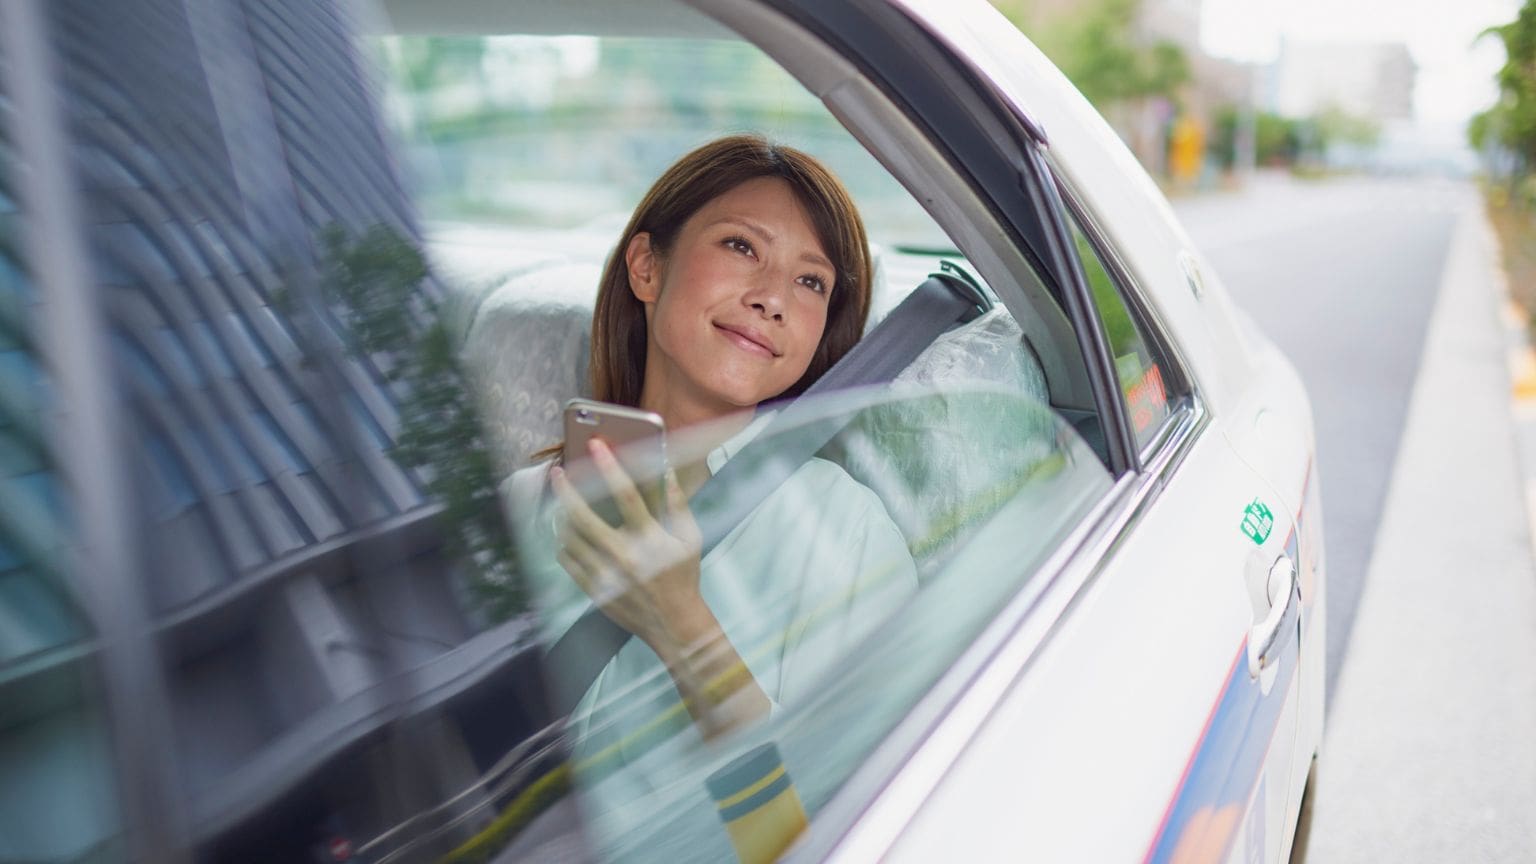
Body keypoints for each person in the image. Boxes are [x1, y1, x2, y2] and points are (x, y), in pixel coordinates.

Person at [504, 134, 917, 842]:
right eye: (741, 247)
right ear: (645, 267)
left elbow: (827, 842)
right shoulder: (518, 506)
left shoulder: (847, 531)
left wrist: (682, 623)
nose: (770, 299)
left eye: (811, 281)